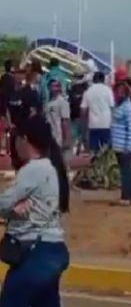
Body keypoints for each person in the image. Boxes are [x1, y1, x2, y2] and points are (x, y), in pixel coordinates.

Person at [0, 117, 71, 305]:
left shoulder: (33, 169)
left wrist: (10, 210)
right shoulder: (50, 167)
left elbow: (4, 203)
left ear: (24, 139)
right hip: (52, 250)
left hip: (35, 253)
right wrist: (13, 211)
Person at [111, 74, 131, 206]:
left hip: (125, 146)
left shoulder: (128, 108)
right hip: (117, 144)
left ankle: (127, 196)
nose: (118, 93)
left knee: (125, 172)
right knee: (125, 170)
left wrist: (128, 147)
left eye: (121, 90)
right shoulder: (119, 106)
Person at [80, 72, 113, 154]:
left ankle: (95, 164)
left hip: (93, 124)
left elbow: (83, 110)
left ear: (94, 80)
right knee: (105, 149)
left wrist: (83, 124)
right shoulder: (108, 90)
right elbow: (112, 107)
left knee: (93, 149)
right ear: (103, 79)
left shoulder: (88, 91)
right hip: (106, 123)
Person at [43, 81, 70, 156]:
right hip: (48, 134)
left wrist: (66, 139)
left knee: (58, 157)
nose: (55, 88)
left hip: (58, 135)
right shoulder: (47, 103)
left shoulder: (63, 102)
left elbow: (65, 121)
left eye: (57, 86)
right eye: (53, 86)